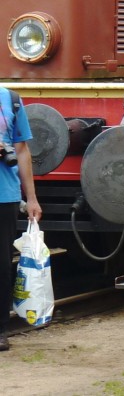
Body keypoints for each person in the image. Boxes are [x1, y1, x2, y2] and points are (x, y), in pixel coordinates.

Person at [1, 86, 43, 352]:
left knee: (2, 264)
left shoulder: (11, 100)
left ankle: (0, 328)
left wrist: (32, 198)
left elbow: (23, 149)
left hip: (4, 194)